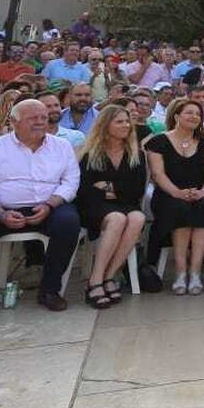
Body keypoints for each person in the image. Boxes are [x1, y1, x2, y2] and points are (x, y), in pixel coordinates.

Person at [0, 99, 82, 322]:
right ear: (13, 122)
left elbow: (71, 181)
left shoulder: (61, 146)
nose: (40, 122)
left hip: (48, 206)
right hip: (0, 209)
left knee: (68, 223)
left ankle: (50, 290)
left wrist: (50, 204)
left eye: (43, 118)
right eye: (33, 118)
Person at [146, 99, 204, 296]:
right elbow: (158, 174)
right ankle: (181, 271)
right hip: (169, 194)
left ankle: (195, 272)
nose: (194, 117)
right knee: (180, 207)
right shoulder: (158, 142)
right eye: (189, 112)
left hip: (202, 191)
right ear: (177, 116)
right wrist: (177, 192)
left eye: (198, 114)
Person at [74, 104, 147, 309]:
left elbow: (136, 190)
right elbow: (85, 189)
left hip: (126, 203)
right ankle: (95, 280)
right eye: (119, 122)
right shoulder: (89, 153)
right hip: (93, 206)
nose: (126, 125)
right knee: (117, 218)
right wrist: (116, 189)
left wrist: (106, 186)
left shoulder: (136, 154)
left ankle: (109, 276)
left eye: (127, 121)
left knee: (138, 218)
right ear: (106, 125)